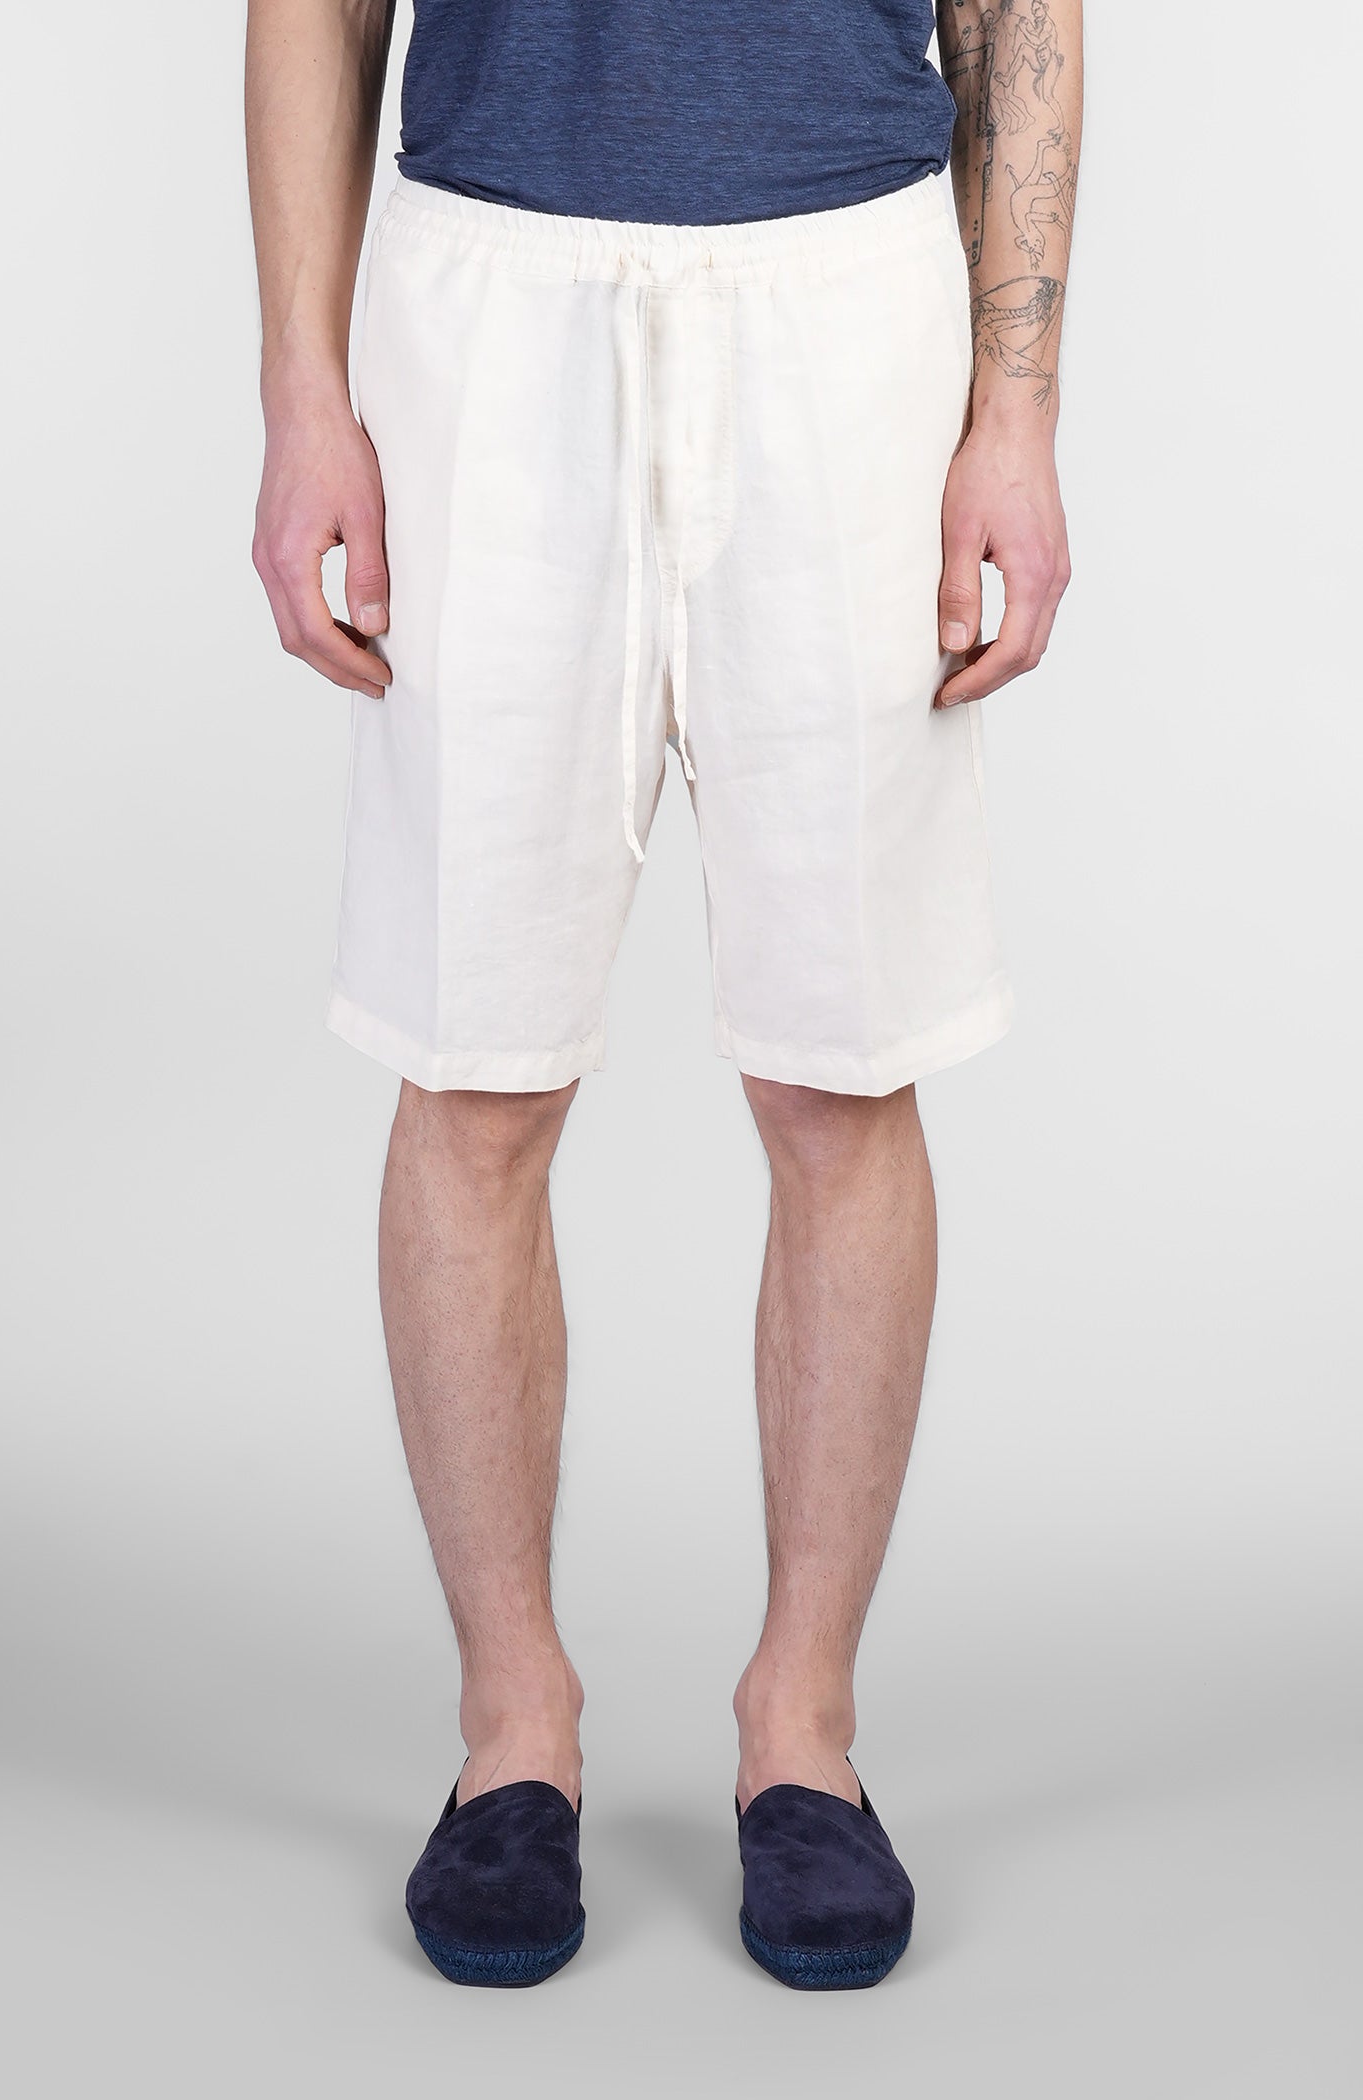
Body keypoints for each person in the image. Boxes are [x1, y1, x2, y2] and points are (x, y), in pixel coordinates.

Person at [245, 0, 1081, 1991]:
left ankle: (805, 1726)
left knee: (842, 1070)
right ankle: (509, 1724)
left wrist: (1016, 417)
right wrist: (302, 394)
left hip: (846, 301)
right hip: (488, 298)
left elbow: (1016, 13)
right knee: (474, 1066)